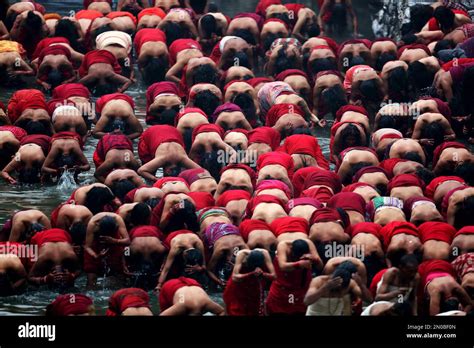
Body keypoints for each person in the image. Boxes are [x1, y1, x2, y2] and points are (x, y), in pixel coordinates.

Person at [223, 248, 276, 316]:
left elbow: (274, 276)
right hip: (238, 287)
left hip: (254, 285)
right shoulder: (242, 255)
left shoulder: (265, 254)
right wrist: (251, 273)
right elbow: (234, 277)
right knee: (235, 310)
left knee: (255, 310)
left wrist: (262, 273)